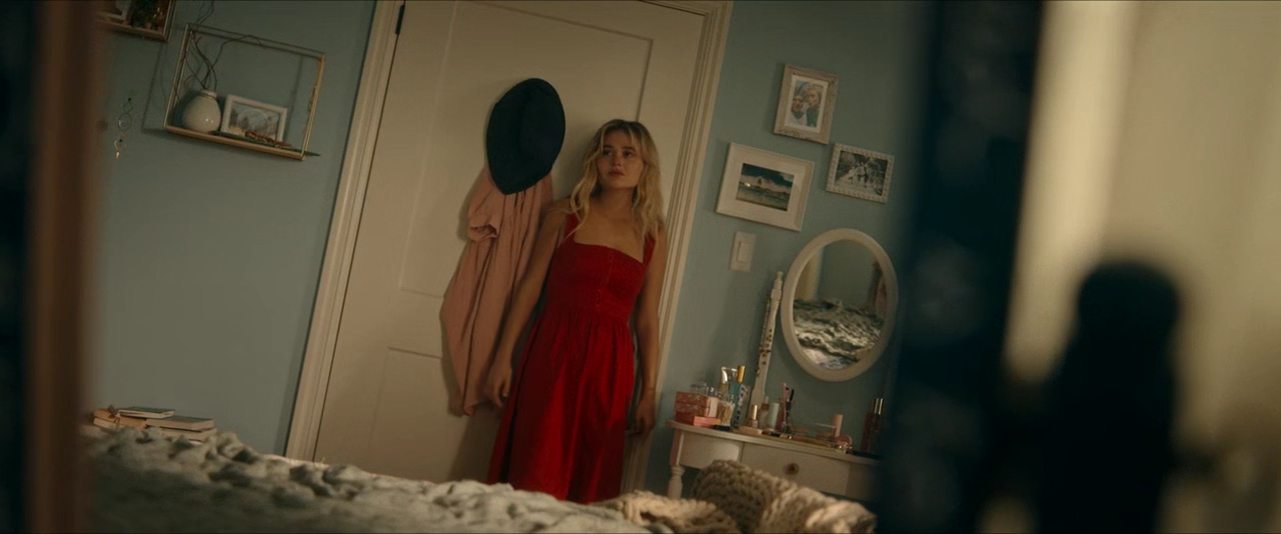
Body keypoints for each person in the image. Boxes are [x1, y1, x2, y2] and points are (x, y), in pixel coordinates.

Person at [484, 119, 667, 504]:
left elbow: (647, 319)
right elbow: (529, 290)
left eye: (628, 153)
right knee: (536, 470)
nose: (616, 161)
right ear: (594, 160)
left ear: (645, 165)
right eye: (606, 151)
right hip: (554, 352)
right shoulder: (565, 214)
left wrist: (648, 392)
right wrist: (502, 359)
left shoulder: (652, 232)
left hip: (610, 368)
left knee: (591, 480)